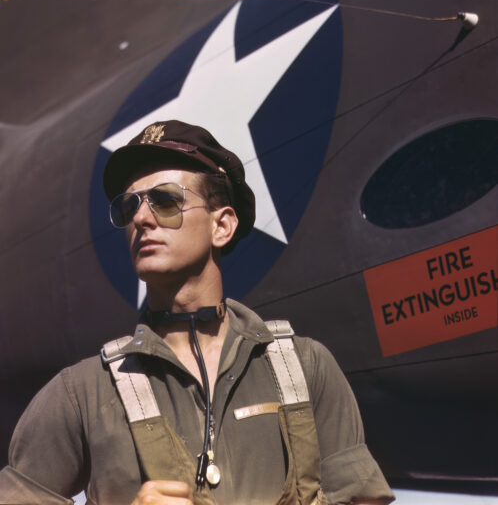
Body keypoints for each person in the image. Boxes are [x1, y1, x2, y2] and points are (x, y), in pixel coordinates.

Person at [0, 120, 395, 505]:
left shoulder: (306, 368)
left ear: (221, 226)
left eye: (166, 200)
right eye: (129, 206)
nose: (140, 218)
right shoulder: (80, 395)